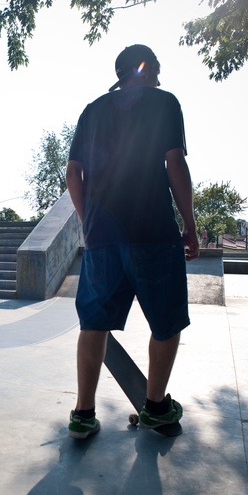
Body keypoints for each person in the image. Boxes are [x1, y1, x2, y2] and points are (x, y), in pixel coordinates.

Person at [66, 44, 199, 440]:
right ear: (148, 69)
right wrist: (190, 224)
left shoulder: (92, 110)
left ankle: (83, 414)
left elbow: (73, 173)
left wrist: (87, 221)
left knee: (94, 324)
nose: (159, 78)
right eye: (156, 70)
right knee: (166, 322)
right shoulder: (164, 102)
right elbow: (175, 164)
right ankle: (155, 407)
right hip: (153, 232)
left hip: (102, 239)